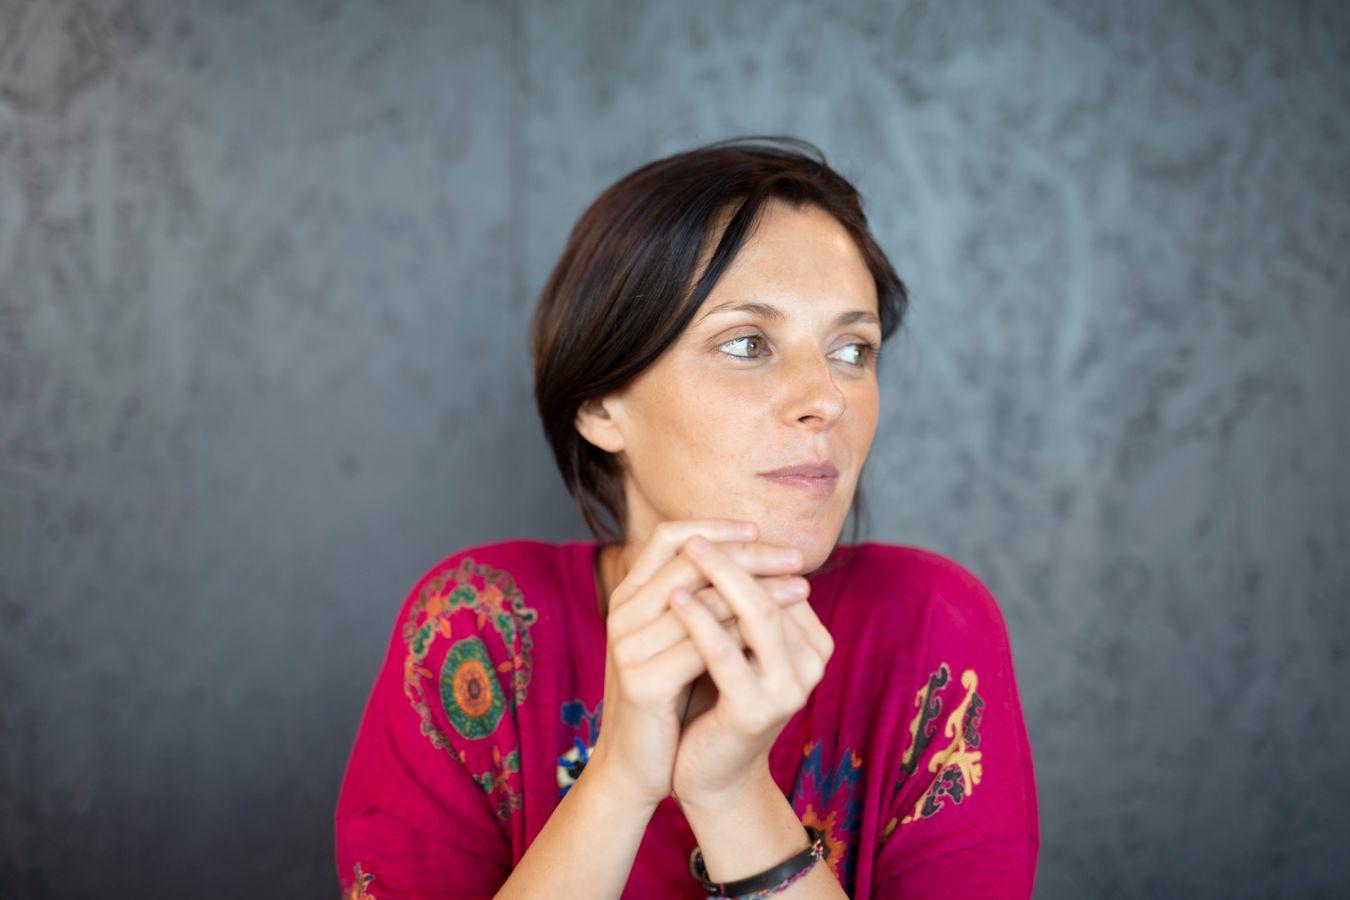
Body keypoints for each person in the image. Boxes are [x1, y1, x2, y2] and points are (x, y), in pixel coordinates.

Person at [333, 136, 1039, 898]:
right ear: (603, 406)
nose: (827, 399)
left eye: (852, 349)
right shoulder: (474, 630)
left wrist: (732, 795)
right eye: (747, 342)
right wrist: (618, 782)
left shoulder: (929, 630)